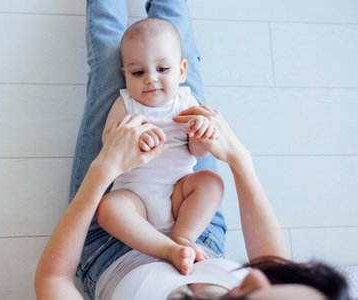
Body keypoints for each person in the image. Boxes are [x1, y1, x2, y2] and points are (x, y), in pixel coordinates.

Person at [34, 1, 350, 299]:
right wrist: (232, 154)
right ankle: (179, 241)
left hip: (117, 235)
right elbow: (197, 152)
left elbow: (52, 279)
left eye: (251, 295)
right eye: (139, 73)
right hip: (192, 225)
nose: (253, 275)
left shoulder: (129, 100)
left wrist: (108, 166)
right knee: (175, 40)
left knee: (107, 60)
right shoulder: (181, 100)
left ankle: (172, 244)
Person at [96, 17, 224, 275]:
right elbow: (108, 141)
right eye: (138, 73)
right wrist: (133, 138)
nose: (150, 79)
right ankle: (167, 249)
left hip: (179, 193)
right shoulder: (126, 103)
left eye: (163, 69)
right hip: (135, 198)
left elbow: (198, 153)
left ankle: (183, 238)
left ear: (181, 70)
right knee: (108, 207)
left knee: (211, 181)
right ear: (125, 75)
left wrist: (201, 133)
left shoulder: (187, 101)